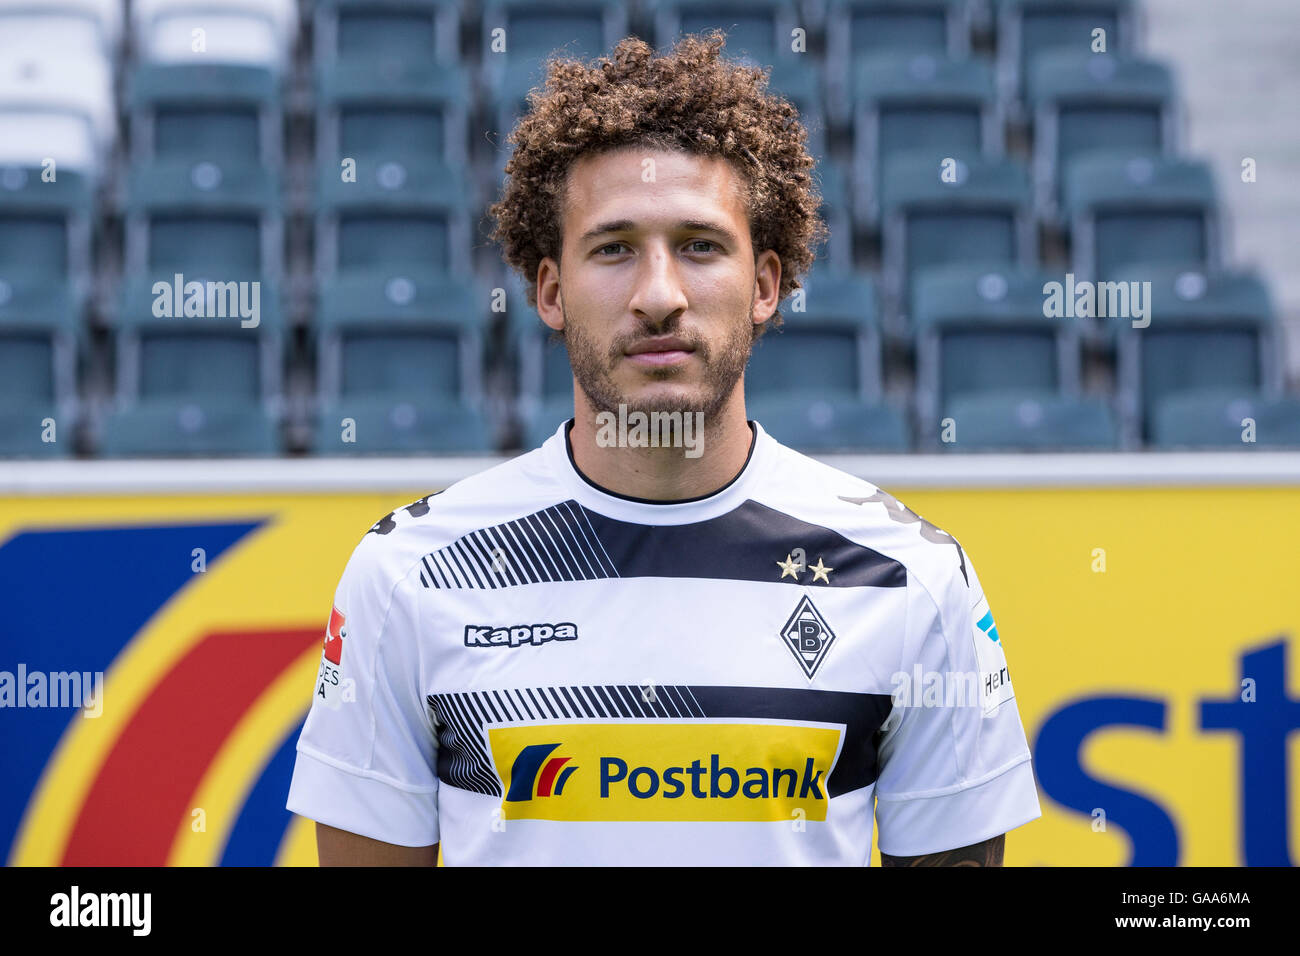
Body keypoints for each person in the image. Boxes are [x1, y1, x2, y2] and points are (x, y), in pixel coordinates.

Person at [286, 31, 1041, 866]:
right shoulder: (412, 576)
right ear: (549, 290)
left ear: (764, 285)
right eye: (613, 249)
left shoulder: (909, 575)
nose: (658, 296)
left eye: (700, 245)